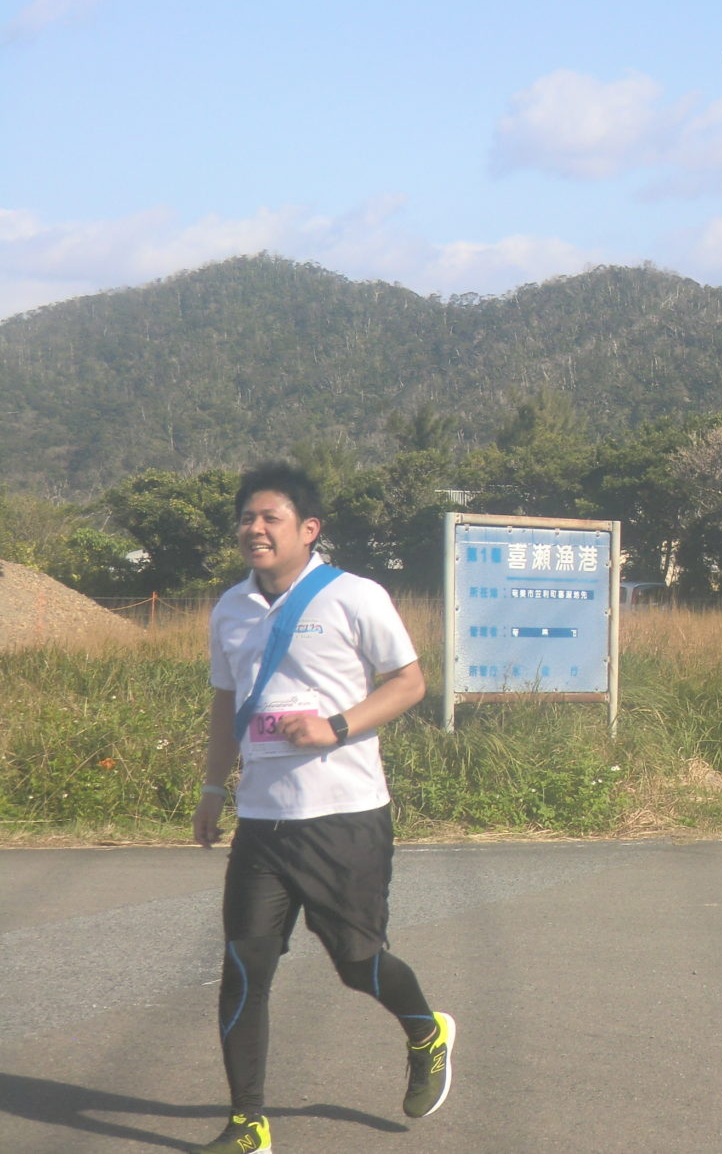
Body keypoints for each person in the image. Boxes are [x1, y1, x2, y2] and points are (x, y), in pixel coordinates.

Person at [191, 462, 454, 1154]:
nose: (254, 528)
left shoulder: (354, 596)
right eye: (246, 518)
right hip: (261, 821)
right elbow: (226, 703)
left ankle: (426, 1030)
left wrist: (335, 726)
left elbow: (409, 683)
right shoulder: (230, 608)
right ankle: (248, 1122)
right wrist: (213, 788)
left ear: (309, 529)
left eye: (269, 518)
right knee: (244, 967)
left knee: (357, 961)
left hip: (344, 816)